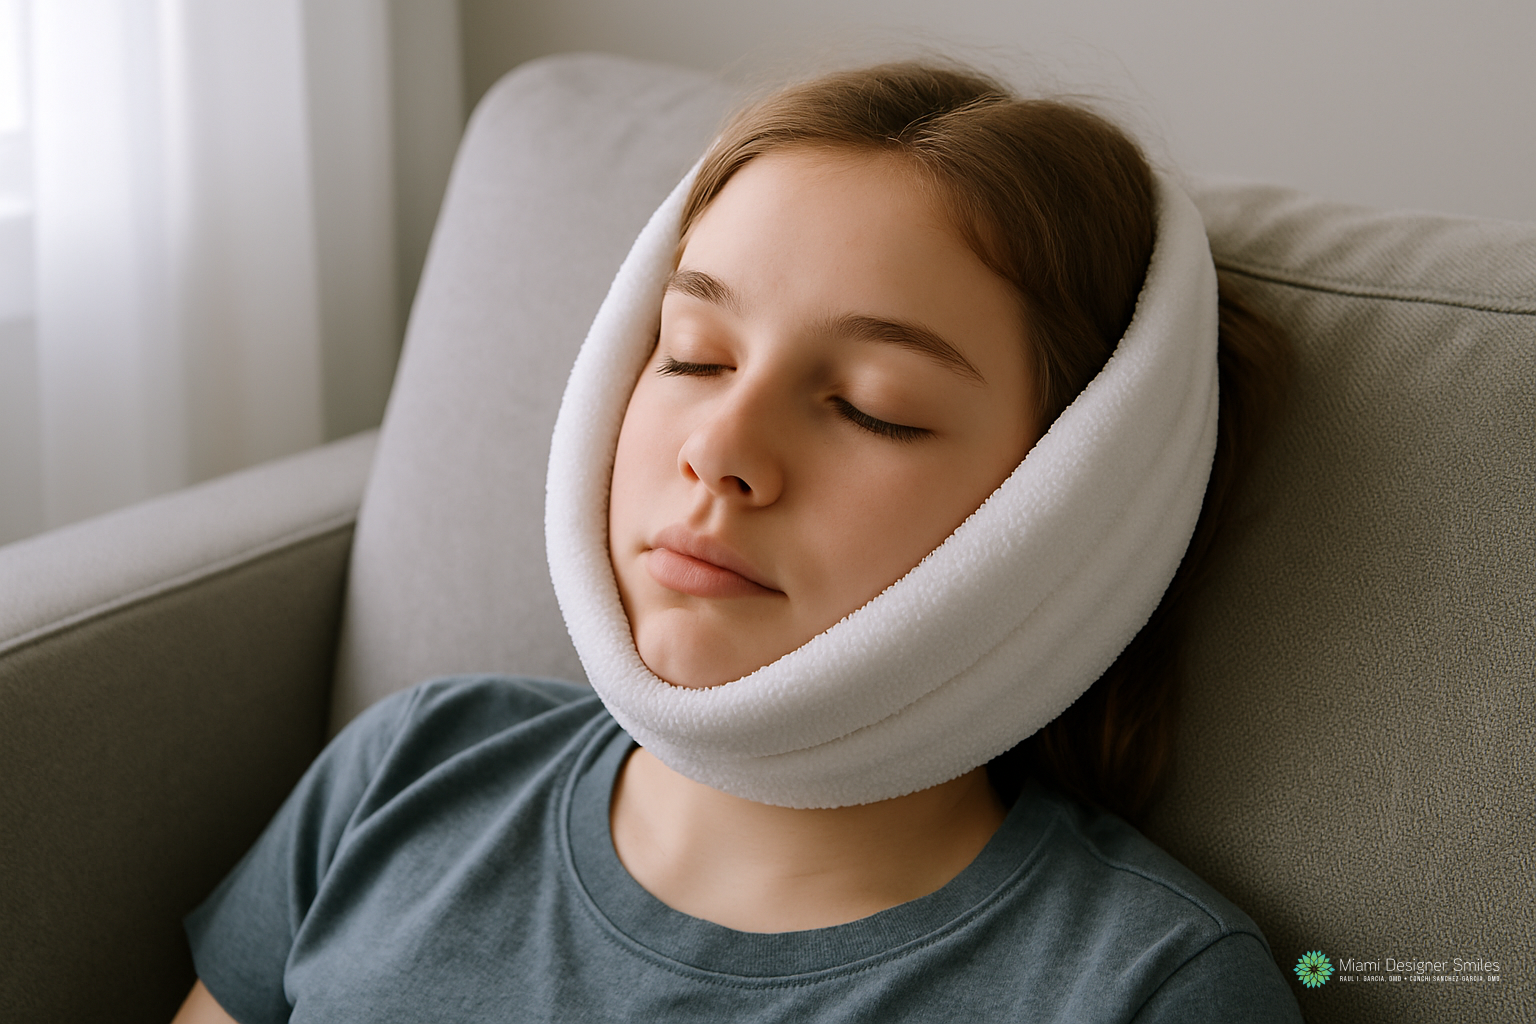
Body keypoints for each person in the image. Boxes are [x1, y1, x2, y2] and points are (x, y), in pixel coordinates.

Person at [175, 61, 1302, 1022]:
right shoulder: (409, 770)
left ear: (1071, 508)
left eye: (873, 404)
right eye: (695, 354)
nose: (720, 449)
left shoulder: (1147, 987)